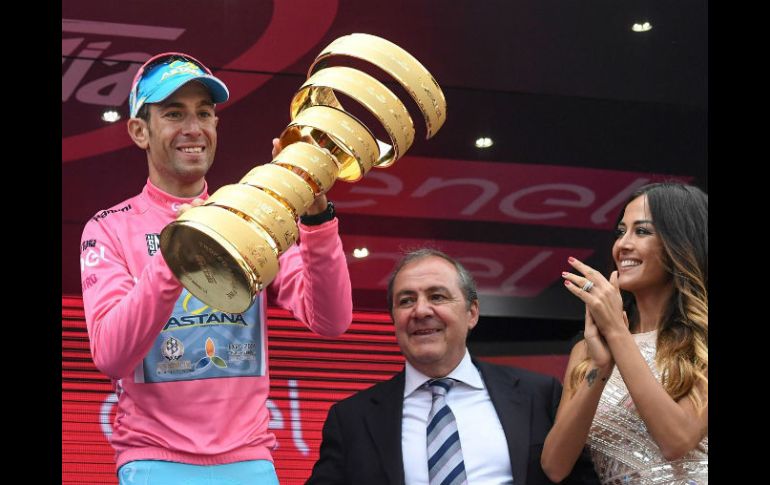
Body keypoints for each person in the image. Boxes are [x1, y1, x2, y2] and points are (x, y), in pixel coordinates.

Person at [79, 52, 353, 484]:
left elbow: (332, 320)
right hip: (155, 461)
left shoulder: (251, 214)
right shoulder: (108, 228)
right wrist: (185, 250)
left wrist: (315, 216)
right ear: (139, 131)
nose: (193, 128)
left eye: (203, 113)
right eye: (173, 114)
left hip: (249, 460)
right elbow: (111, 356)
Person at [306, 248, 600, 485]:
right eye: (406, 301)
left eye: (437, 296)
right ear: (394, 319)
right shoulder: (351, 419)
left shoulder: (538, 395)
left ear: (472, 313)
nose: (420, 311)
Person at [540, 182, 708, 484]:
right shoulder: (588, 350)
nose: (623, 245)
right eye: (621, 231)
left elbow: (677, 441)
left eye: (641, 231)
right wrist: (601, 366)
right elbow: (555, 466)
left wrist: (617, 333)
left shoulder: (702, 338)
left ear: (680, 243)